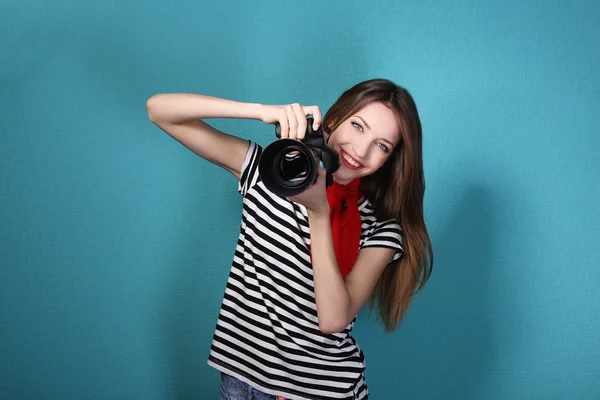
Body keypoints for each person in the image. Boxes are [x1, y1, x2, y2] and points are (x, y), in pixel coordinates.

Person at [146, 78, 433, 400]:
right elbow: (159, 110)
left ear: (390, 159)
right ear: (333, 120)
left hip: (323, 391)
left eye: (382, 145)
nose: (362, 150)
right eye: (358, 126)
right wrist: (260, 111)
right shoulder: (268, 172)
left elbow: (334, 319)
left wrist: (319, 214)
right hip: (242, 382)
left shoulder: (381, 227)